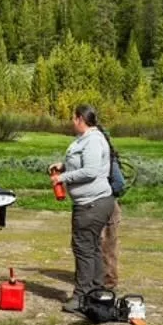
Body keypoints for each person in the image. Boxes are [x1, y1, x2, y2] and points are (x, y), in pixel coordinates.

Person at [50, 104, 116, 314]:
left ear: (80, 119)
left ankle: (81, 297)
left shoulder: (94, 140)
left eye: (73, 118)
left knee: (83, 249)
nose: (72, 122)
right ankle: (96, 291)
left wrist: (62, 177)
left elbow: (91, 170)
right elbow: (83, 163)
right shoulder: (87, 140)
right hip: (92, 203)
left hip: (92, 204)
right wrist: (65, 166)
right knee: (92, 247)